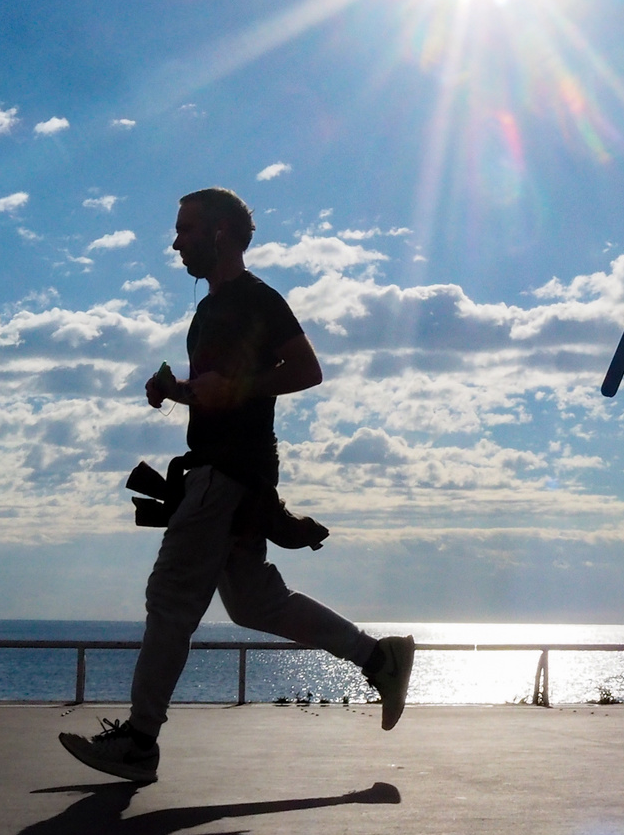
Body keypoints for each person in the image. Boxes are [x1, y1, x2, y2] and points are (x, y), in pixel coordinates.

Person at [60, 187, 414, 784]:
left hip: (224, 475)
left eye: (187, 229)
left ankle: (140, 742)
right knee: (255, 602)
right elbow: (222, 392)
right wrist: (176, 391)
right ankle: (378, 657)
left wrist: (237, 387)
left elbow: (306, 370)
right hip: (231, 474)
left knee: (171, 598)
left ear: (221, 233)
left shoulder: (257, 299)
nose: (176, 242)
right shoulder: (209, 312)